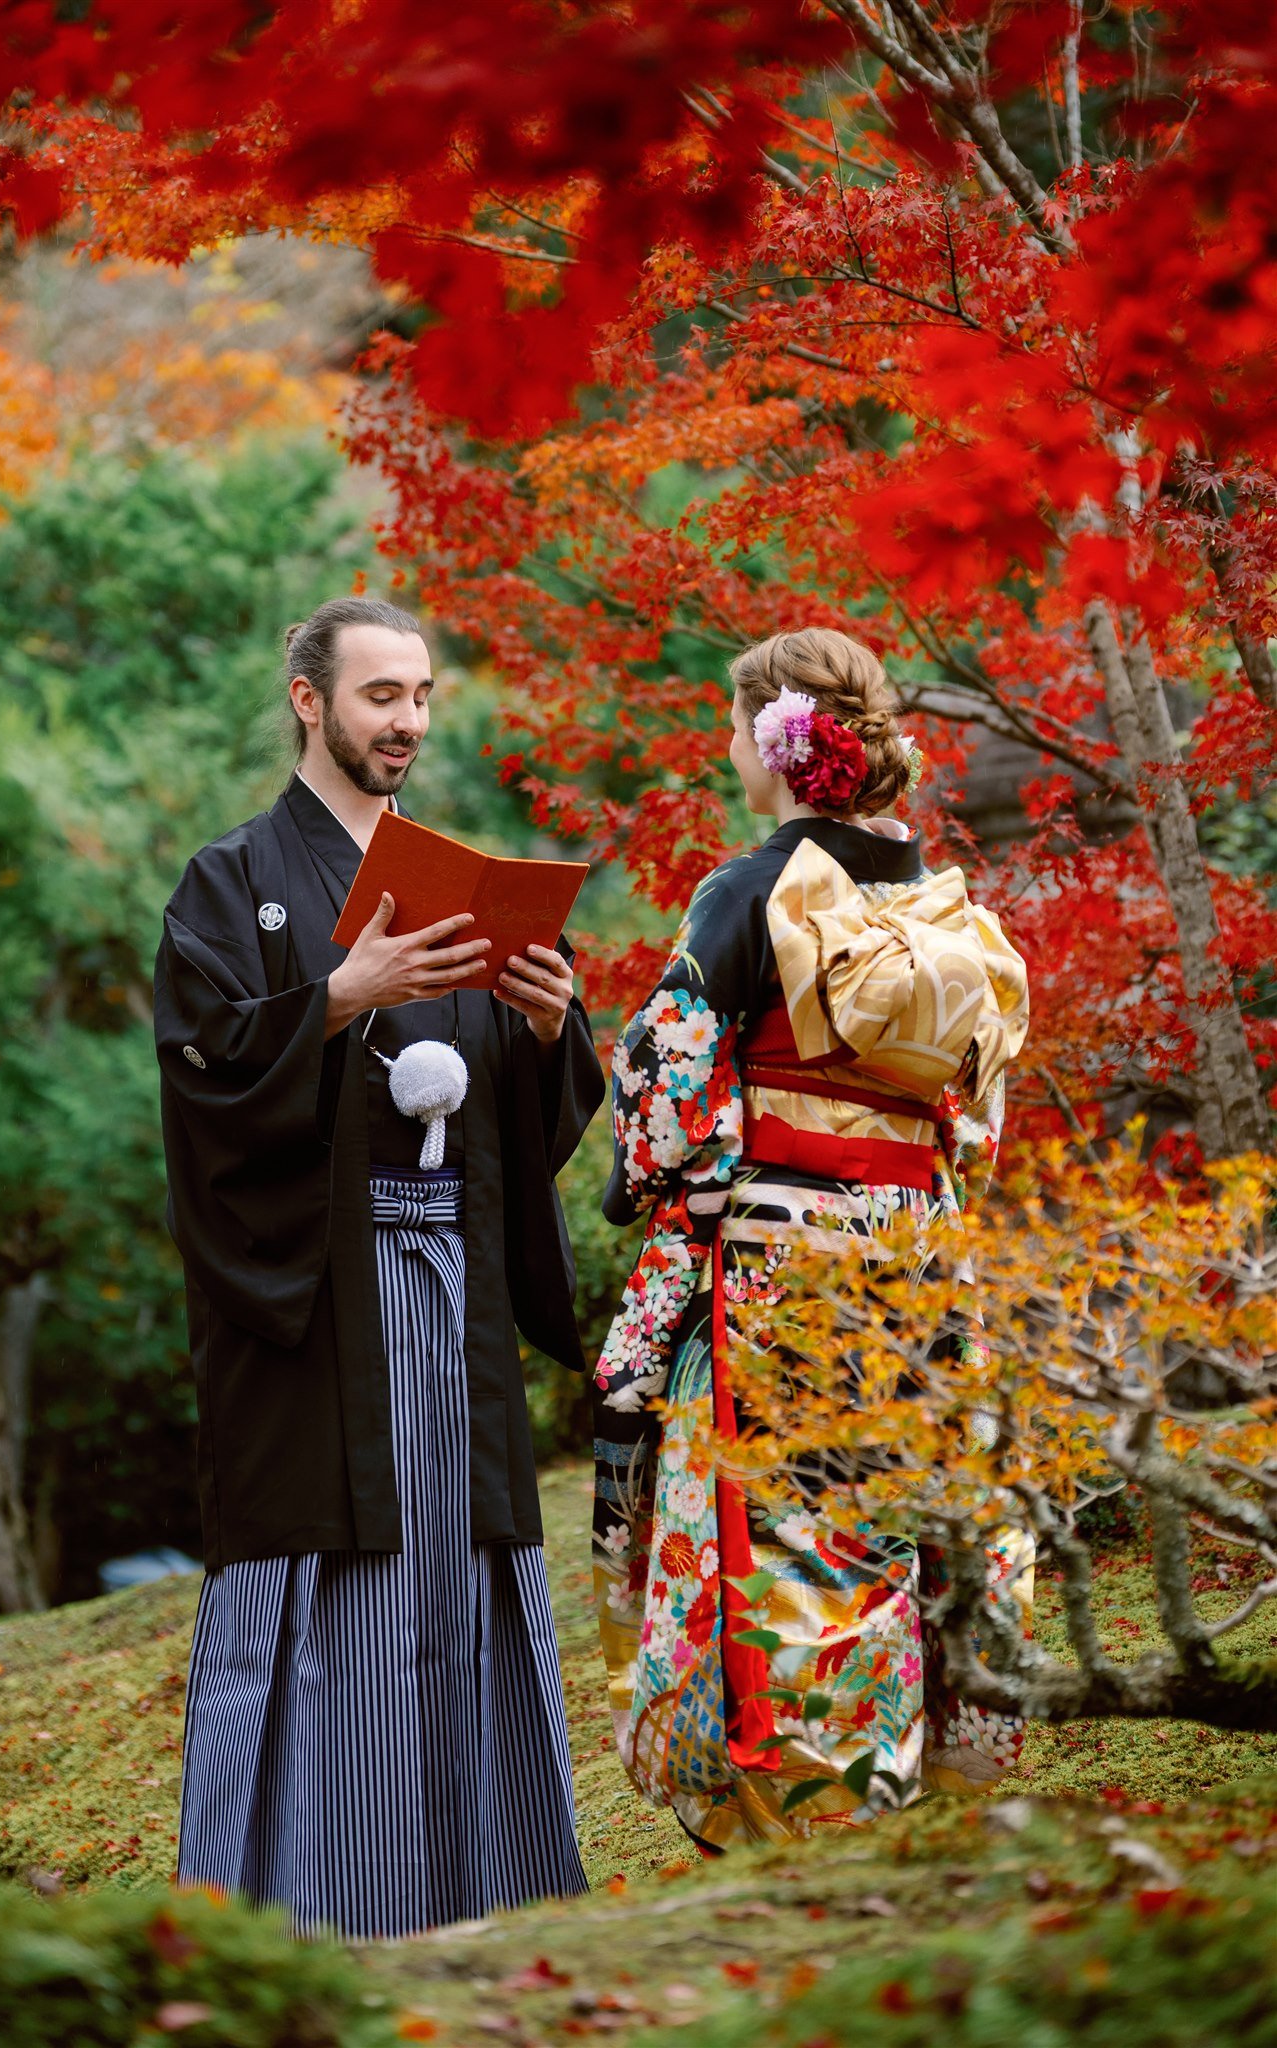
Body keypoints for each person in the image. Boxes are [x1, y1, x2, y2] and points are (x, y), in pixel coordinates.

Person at [155, 595, 604, 1938]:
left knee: (457, 1577)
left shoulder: (460, 882)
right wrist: (339, 996)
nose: (405, 720)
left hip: (450, 1288)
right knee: (324, 1590)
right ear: (309, 699)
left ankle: (486, 1894)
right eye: (378, 697)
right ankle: (296, 1908)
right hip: (314, 1307)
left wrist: (542, 1029)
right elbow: (200, 1082)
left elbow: (527, 1119)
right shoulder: (230, 883)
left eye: (419, 696)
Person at [592, 627, 1033, 1853]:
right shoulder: (938, 898)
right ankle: (920, 1775)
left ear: (774, 747)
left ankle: (808, 1805)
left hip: (781, 1263)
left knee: (788, 1527)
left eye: (735, 731)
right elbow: (966, 1109)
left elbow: (671, 1093)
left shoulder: (753, 889)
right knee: (901, 1508)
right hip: (917, 1254)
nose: (729, 752)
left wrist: (686, 1157)